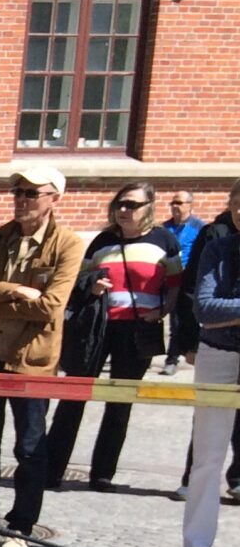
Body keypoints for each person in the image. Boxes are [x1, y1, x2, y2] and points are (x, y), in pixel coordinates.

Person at [0, 163, 83, 547]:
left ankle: (21, 528)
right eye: (18, 193)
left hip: (31, 362)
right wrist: (16, 290)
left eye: (32, 193)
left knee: (29, 448)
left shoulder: (68, 244)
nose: (22, 200)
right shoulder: (1, 238)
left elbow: (50, 306)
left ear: (53, 199)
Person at [43, 182, 180, 492]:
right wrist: (91, 287)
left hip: (138, 330)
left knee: (120, 404)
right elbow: (78, 279)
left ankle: (103, 473)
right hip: (99, 327)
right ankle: (51, 469)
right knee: (74, 396)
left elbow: (175, 284)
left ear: (149, 208)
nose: (123, 210)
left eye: (132, 205)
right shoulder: (103, 241)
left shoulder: (164, 241)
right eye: (120, 204)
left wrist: (162, 311)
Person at [170, 180, 240, 547]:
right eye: (238, 206)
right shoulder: (219, 248)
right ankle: (196, 546)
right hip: (218, 354)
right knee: (207, 456)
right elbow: (206, 309)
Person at [161, 190, 206, 376]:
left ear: (190, 205)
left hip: (186, 280)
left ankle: (172, 359)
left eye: (179, 203)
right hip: (165, 279)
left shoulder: (199, 228)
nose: (175, 206)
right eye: (173, 203)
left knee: (178, 322)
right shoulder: (164, 228)